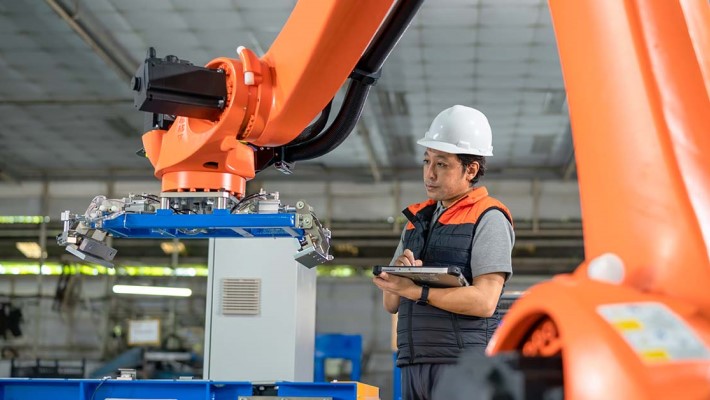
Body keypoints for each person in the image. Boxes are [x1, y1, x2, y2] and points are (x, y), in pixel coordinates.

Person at [372, 105, 515, 400]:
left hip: (462, 367)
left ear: (471, 169)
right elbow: (391, 303)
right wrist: (396, 275)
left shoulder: (488, 217)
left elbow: (485, 302)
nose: (429, 174)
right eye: (427, 162)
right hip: (414, 362)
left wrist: (415, 291)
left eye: (442, 164)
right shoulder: (418, 219)